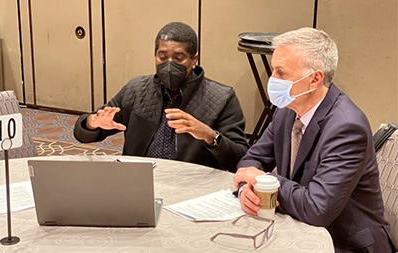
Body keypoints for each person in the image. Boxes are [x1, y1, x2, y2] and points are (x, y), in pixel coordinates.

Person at [234, 28, 395, 252]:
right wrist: (246, 190)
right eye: (273, 71)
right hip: (299, 230)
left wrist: (265, 180)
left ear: (314, 79)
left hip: (344, 243)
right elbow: (251, 161)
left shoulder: (347, 127)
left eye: (281, 73)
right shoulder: (288, 109)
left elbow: (318, 209)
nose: (273, 80)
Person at [74, 22, 249, 172]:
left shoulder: (221, 97)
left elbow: (240, 160)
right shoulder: (136, 89)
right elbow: (82, 134)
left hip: (191, 187)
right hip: (140, 181)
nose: (169, 64)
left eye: (179, 58)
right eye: (163, 57)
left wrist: (211, 136)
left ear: (194, 59)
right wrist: (91, 124)